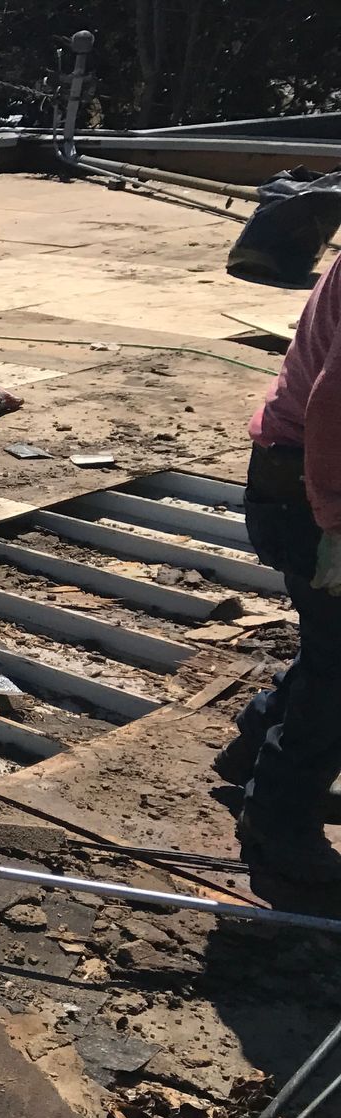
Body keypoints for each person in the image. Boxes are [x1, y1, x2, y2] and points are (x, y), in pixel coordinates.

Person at [221, 255, 341, 905]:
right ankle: (279, 822)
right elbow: (333, 409)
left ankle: (251, 751)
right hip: (310, 489)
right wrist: (337, 524)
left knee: (331, 650)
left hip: (293, 476)